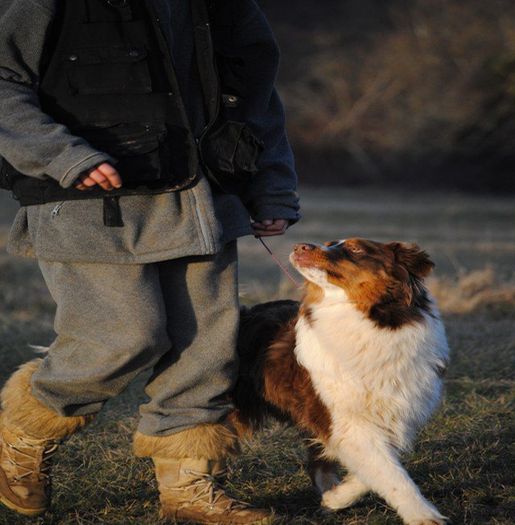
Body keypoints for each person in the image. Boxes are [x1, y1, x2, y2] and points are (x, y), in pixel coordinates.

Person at [0, 0, 299, 523]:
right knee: (122, 337)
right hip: (86, 194)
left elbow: (254, 87)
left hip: (206, 195)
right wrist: (64, 155)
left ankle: (188, 489)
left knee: (206, 350)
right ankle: (19, 437)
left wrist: (271, 186)